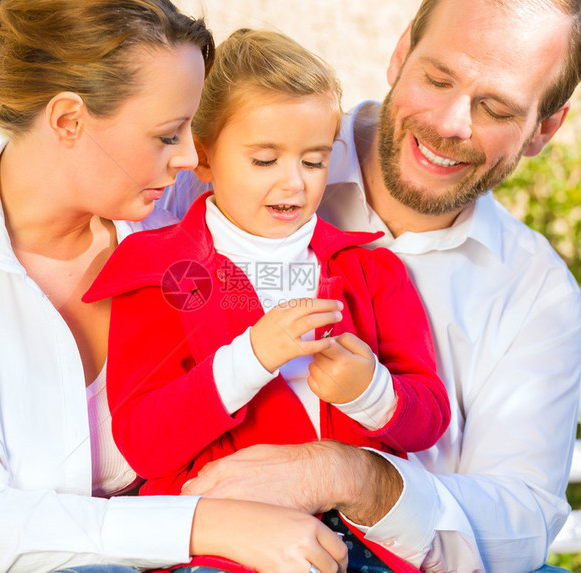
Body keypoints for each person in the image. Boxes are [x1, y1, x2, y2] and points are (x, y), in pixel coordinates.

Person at [0, 0, 581, 571]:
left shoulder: (167, 205)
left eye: (495, 106)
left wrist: (348, 472)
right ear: (398, 54)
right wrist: (210, 523)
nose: (191, 155)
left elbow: (520, 524)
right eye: (439, 77)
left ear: (546, 127)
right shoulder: (176, 207)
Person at [0, 1, 349, 572]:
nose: (192, 156)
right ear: (68, 120)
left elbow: (312, 134)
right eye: (169, 134)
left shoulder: (182, 225)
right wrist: (210, 524)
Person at [86, 28, 449, 573]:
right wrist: (251, 357)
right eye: (264, 160)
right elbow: (143, 444)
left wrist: (371, 392)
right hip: (225, 551)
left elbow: (429, 415)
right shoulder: (158, 271)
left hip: (363, 547)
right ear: (203, 157)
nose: (294, 184)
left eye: (313, 160)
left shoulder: (372, 270)